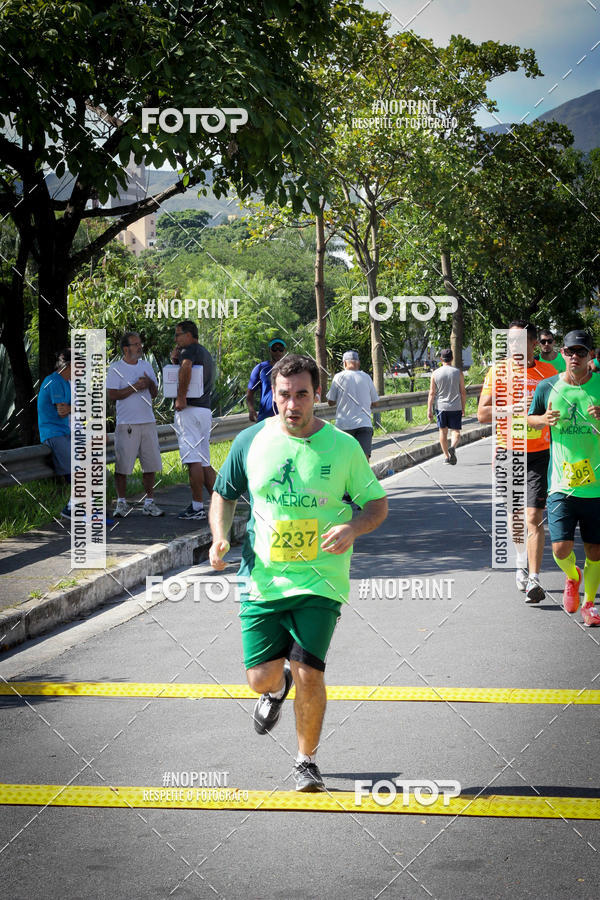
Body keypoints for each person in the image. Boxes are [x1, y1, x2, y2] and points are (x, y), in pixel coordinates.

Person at [208, 354, 388, 791]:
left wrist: (353, 526)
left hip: (321, 580)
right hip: (262, 579)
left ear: (317, 395)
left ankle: (306, 760)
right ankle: (274, 688)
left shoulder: (343, 447)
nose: (292, 404)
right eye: (284, 394)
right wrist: (218, 537)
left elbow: (377, 505)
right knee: (260, 678)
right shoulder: (249, 441)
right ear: (275, 395)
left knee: (311, 670)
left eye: (302, 394)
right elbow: (223, 494)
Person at [478, 321, 556, 602]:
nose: (512, 346)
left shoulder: (549, 373)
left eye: (518, 341)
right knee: (516, 518)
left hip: (539, 453)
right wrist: (511, 408)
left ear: (533, 343)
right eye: (509, 341)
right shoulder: (497, 371)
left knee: (534, 516)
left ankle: (535, 579)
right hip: (507, 452)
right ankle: (521, 563)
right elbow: (482, 415)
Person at [528, 330, 600, 626]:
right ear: (562, 353)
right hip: (562, 484)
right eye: (569, 352)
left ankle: (590, 604)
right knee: (560, 549)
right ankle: (573, 576)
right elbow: (529, 419)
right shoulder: (547, 387)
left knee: (595, 549)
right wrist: (542, 420)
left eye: (580, 353)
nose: (574, 357)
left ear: (590, 356)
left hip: (596, 485)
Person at [106, 332, 164, 517]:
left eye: (140, 343)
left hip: (148, 422)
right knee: (123, 466)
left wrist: (148, 383)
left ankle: (149, 502)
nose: (140, 347)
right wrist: (134, 387)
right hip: (127, 423)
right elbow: (112, 395)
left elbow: (155, 393)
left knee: (150, 465)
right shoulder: (115, 368)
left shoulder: (146, 365)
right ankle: (121, 503)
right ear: (126, 348)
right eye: (135, 344)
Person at [171, 320, 217, 520]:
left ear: (189, 335)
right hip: (204, 410)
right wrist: (175, 361)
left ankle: (197, 507)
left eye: (178, 334)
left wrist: (180, 397)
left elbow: (187, 368)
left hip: (189, 409)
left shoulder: (188, 351)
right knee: (204, 460)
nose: (176, 339)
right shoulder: (204, 352)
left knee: (193, 460)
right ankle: (218, 503)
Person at [37, 348, 72, 519]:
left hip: (65, 431)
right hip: (53, 433)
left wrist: (72, 408)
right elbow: (62, 411)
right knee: (75, 471)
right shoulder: (54, 381)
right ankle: (73, 509)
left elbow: (69, 409)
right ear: (70, 365)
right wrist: (75, 409)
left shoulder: (66, 382)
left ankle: (79, 507)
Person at [326, 350, 380, 459]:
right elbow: (376, 403)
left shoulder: (338, 377)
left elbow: (330, 402)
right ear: (358, 363)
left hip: (344, 426)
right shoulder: (366, 377)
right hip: (364, 424)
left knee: (344, 459)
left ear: (345, 363)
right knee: (363, 460)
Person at [427, 348, 466, 465]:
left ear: (441, 359)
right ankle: (453, 447)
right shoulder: (458, 372)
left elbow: (432, 393)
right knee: (456, 431)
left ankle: (446, 456)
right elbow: (463, 392)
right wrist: (463, 407)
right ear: (452, 358)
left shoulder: (435, 373)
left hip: (441, 407)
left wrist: (429, 409)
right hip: (455, 406)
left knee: (443, 432)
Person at [246, 339, 286, 422]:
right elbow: (250, 393)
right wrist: (251, 409)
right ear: (269, 350)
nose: (277, 352)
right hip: (265, 417)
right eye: (274, 349)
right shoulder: (261, 368)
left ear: (284, 351)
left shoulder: (290, 368)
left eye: (280, 349)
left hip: (285, 416)